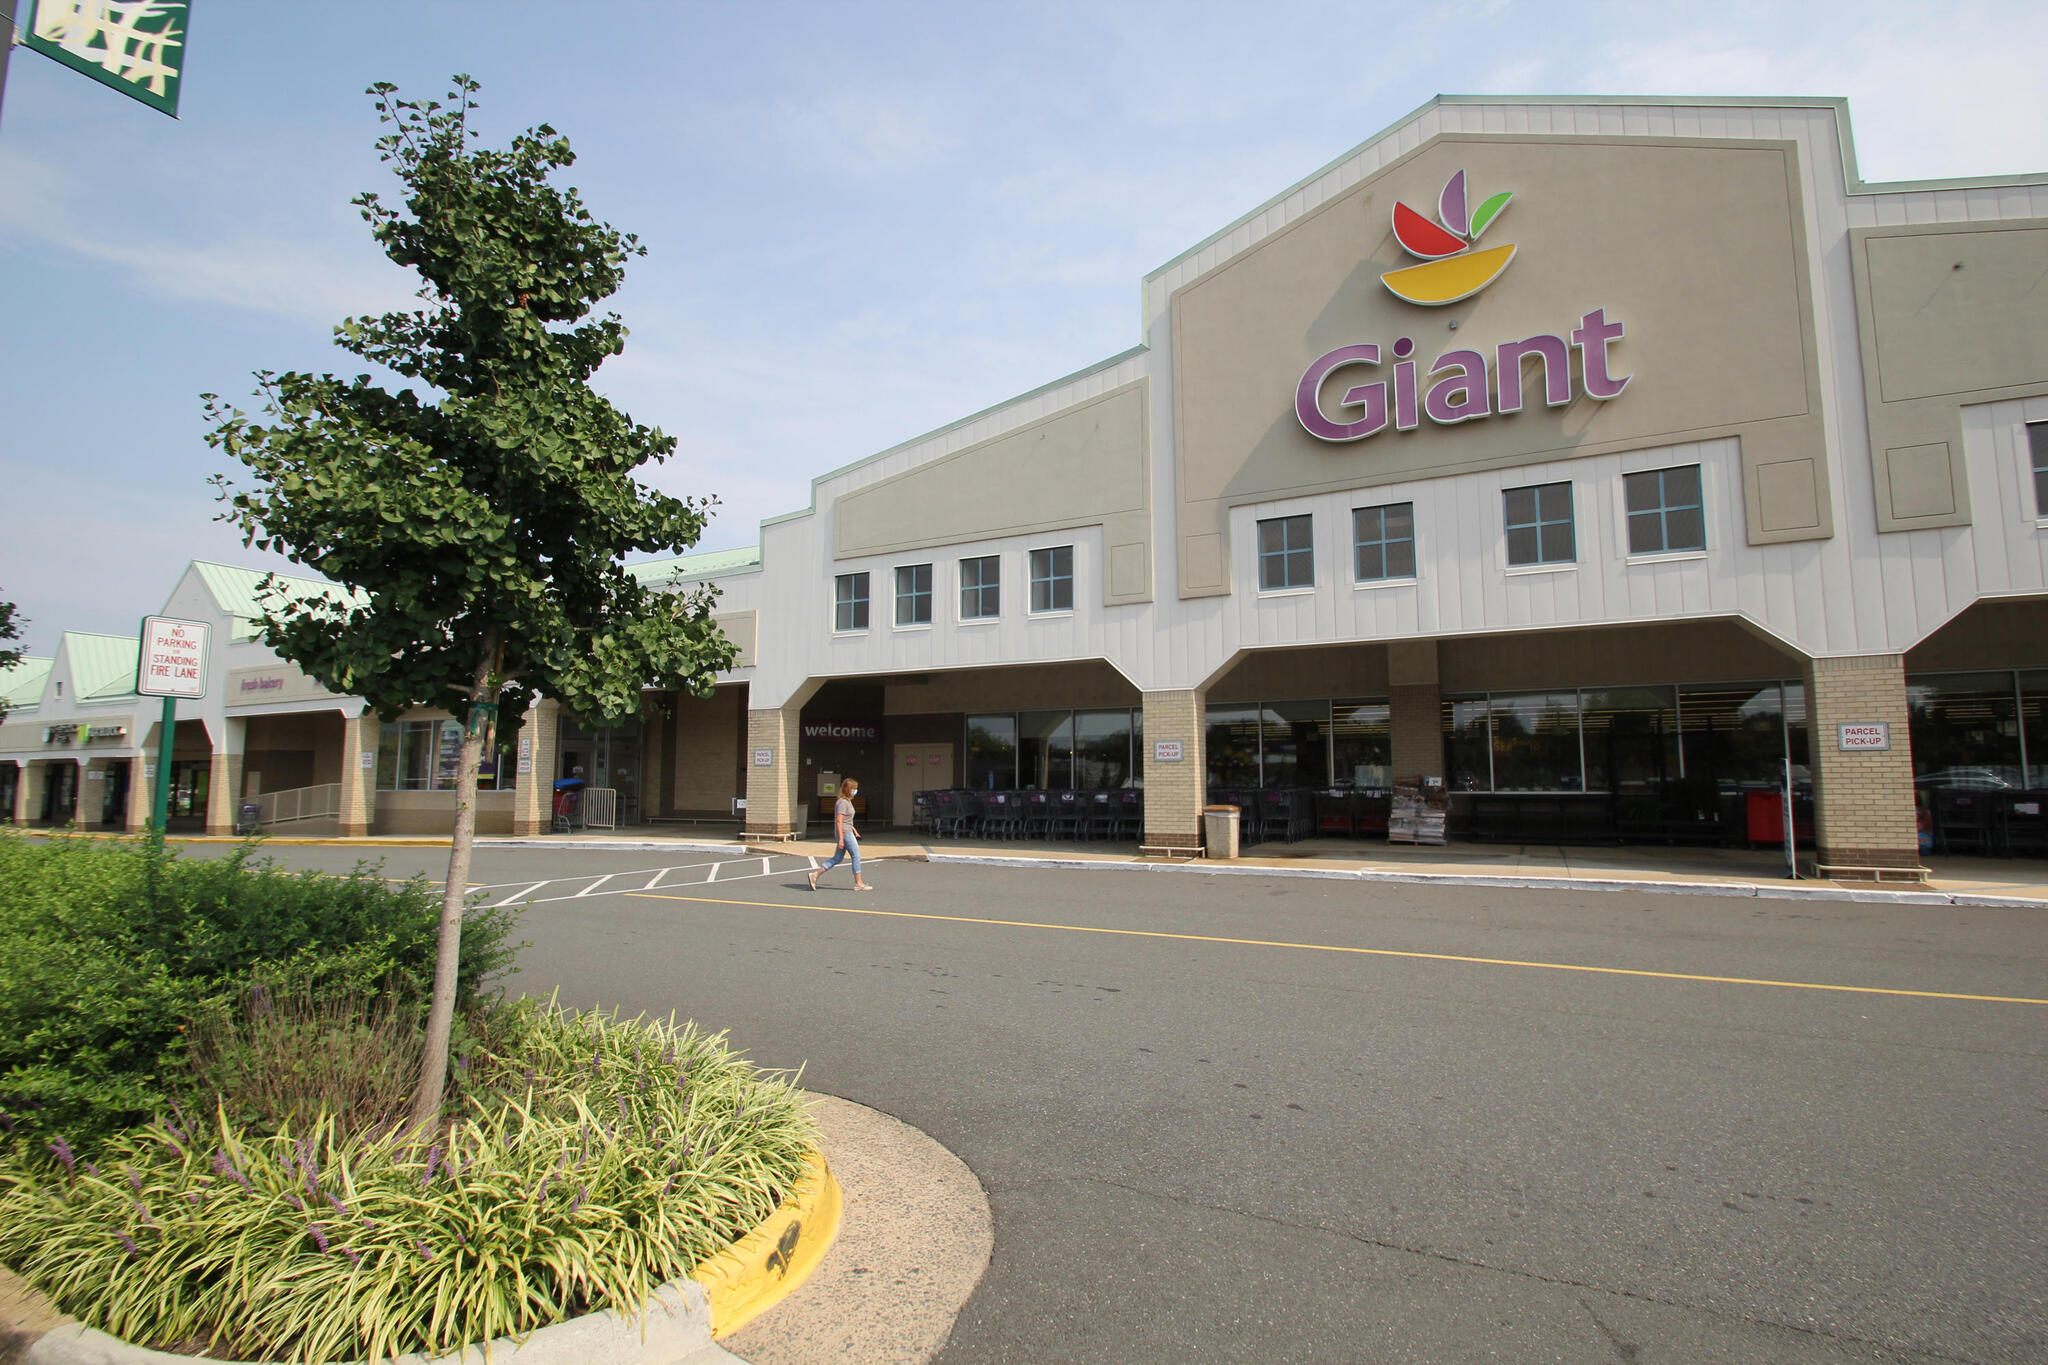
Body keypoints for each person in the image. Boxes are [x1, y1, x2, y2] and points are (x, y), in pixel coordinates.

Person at [809, 777, 873, 891]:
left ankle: (815, 875)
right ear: (848, 789)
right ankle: (858, 883)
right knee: (856, 855)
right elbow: (839, 821)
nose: (855, 791)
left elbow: (847, 820)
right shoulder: (842, 802)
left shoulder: (847, 801)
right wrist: (841, 839)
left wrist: (855, 831)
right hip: (845, 833)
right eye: (854, 789)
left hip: (848, 831)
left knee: (837, 858)